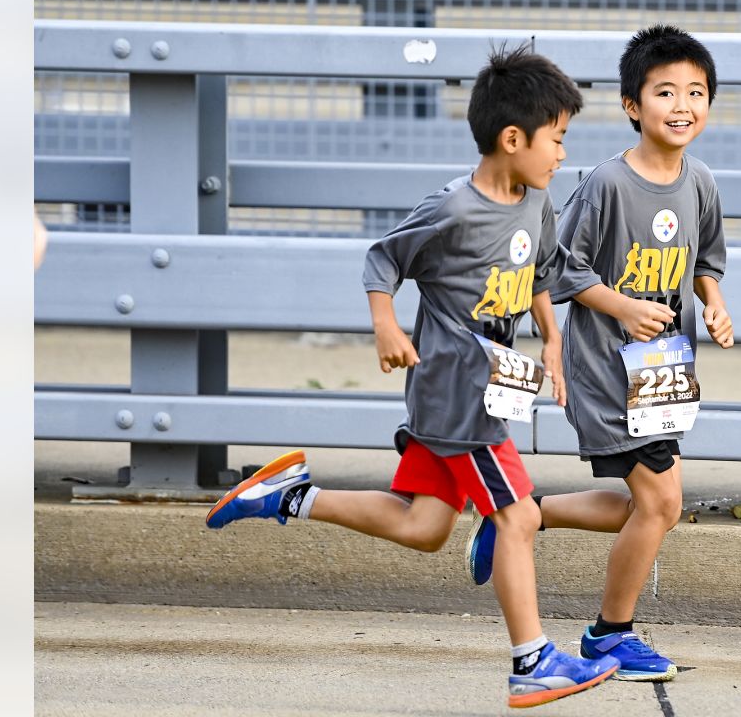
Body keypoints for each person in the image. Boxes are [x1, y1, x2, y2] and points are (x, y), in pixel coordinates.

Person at [204, 45, 672, 709]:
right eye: (557, 140)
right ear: (513, 139)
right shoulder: (453, 210)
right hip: (459, 396)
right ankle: (532, 660)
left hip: (485, 391)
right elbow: (381, 260)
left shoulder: (535, 202)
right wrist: (387, 327)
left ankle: (288, 496)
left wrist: (554, 335)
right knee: (517, 515)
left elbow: (542, 272)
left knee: (425, 526)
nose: (562, 154)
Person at [465, 25, 733, 683]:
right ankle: (609, 635)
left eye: (695, 92)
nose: (682, 104)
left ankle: (524, 515)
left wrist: (716, 302)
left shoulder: (699, 182)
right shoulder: (609, 183)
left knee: (651, 506)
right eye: (664, 91)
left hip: (664, 371)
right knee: (663, 504)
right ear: (632, 106)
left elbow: (707, 262)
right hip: (606, 369)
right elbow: (561, 273)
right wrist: (624, 308)